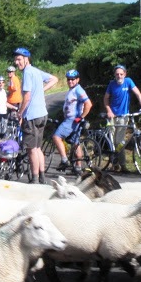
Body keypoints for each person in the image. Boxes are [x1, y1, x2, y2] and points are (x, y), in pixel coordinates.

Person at [13, 47, 59, 184]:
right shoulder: (36, 71)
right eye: (15, 60)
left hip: (32, 116)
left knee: (31, 149)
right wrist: (41, 90)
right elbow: (55, 79)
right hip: (42, 114)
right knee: (38, 148)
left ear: (26, 59)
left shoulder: (27, 73)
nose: (17, 62)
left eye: (19, 59)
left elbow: (26, 97)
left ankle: (34, 179)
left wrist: (20, 113)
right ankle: (42, 177)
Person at [103, 64, 141, 172]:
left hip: (124, 116)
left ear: (125, 74)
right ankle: (115, 164)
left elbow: (138, 94)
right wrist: (109, 111)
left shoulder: (128, 81)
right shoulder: (111, 84)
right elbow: (106, 99)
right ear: (114, 75)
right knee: (112, 142)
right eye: (117, 74)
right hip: (113, 117)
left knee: (120, 142)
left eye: (121, 74)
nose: (119, 76)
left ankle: (122, 165)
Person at [53, 69, 93, 174]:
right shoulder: (73, 89)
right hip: (72, 119)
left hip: (72, 120)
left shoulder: (78, 90)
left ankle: (64, 160)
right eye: (68, 79)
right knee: (75, 143)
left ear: (78, 79)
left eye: (73, 79)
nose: (70, 81)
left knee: (56, 137)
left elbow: (88, 104)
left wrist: (81, 116)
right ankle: (78, 168)